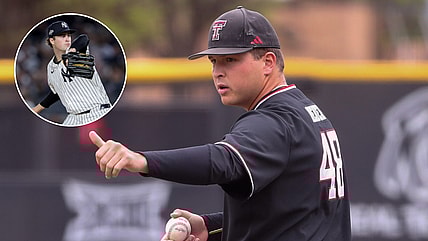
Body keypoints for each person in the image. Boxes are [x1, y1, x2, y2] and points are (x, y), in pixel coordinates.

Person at [89, 6, 351, 241]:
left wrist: (141, 160)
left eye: (230, 60)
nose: (218, 72)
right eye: (214, 61)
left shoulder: (273, 120)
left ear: (268, 62)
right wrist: (210, 226)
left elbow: (222, 161)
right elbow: (290, 213)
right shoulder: (304, 110)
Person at [32, 20, 111, 126]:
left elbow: (84, 39)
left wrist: (73, 50)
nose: (67, 38)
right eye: (62, 35)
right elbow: (56, 92)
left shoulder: (79, 52)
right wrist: (37, 108)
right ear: (52, 40)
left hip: (97, 110)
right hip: (74, 116)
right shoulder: (50, 67)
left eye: (68, 35)